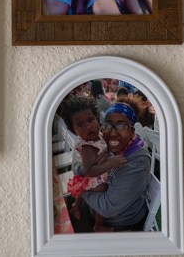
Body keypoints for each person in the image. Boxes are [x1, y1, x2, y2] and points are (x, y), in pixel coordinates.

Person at [79, 102, 152, 231]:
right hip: (93, 207)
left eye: (121, 126)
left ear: (132, 132)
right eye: (108, 125)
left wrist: (81, 189)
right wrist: (86, 170)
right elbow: (79, 166)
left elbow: (107, 207)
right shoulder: (104, 145)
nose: (112, 133)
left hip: (118, 224)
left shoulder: (137, 162)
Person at [60, 96, 126, 232]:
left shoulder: (99, 135)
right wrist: (111, 163)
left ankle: (76, 205)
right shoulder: (87, 147)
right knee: (103, 192)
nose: (88, 126)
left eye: (91, 120)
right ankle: (98, 225)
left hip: (90, 177)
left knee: (82, 189)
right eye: (80, 125)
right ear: (74, 131)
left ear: (97, 118)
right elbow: (90, 171)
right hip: (95, 177)